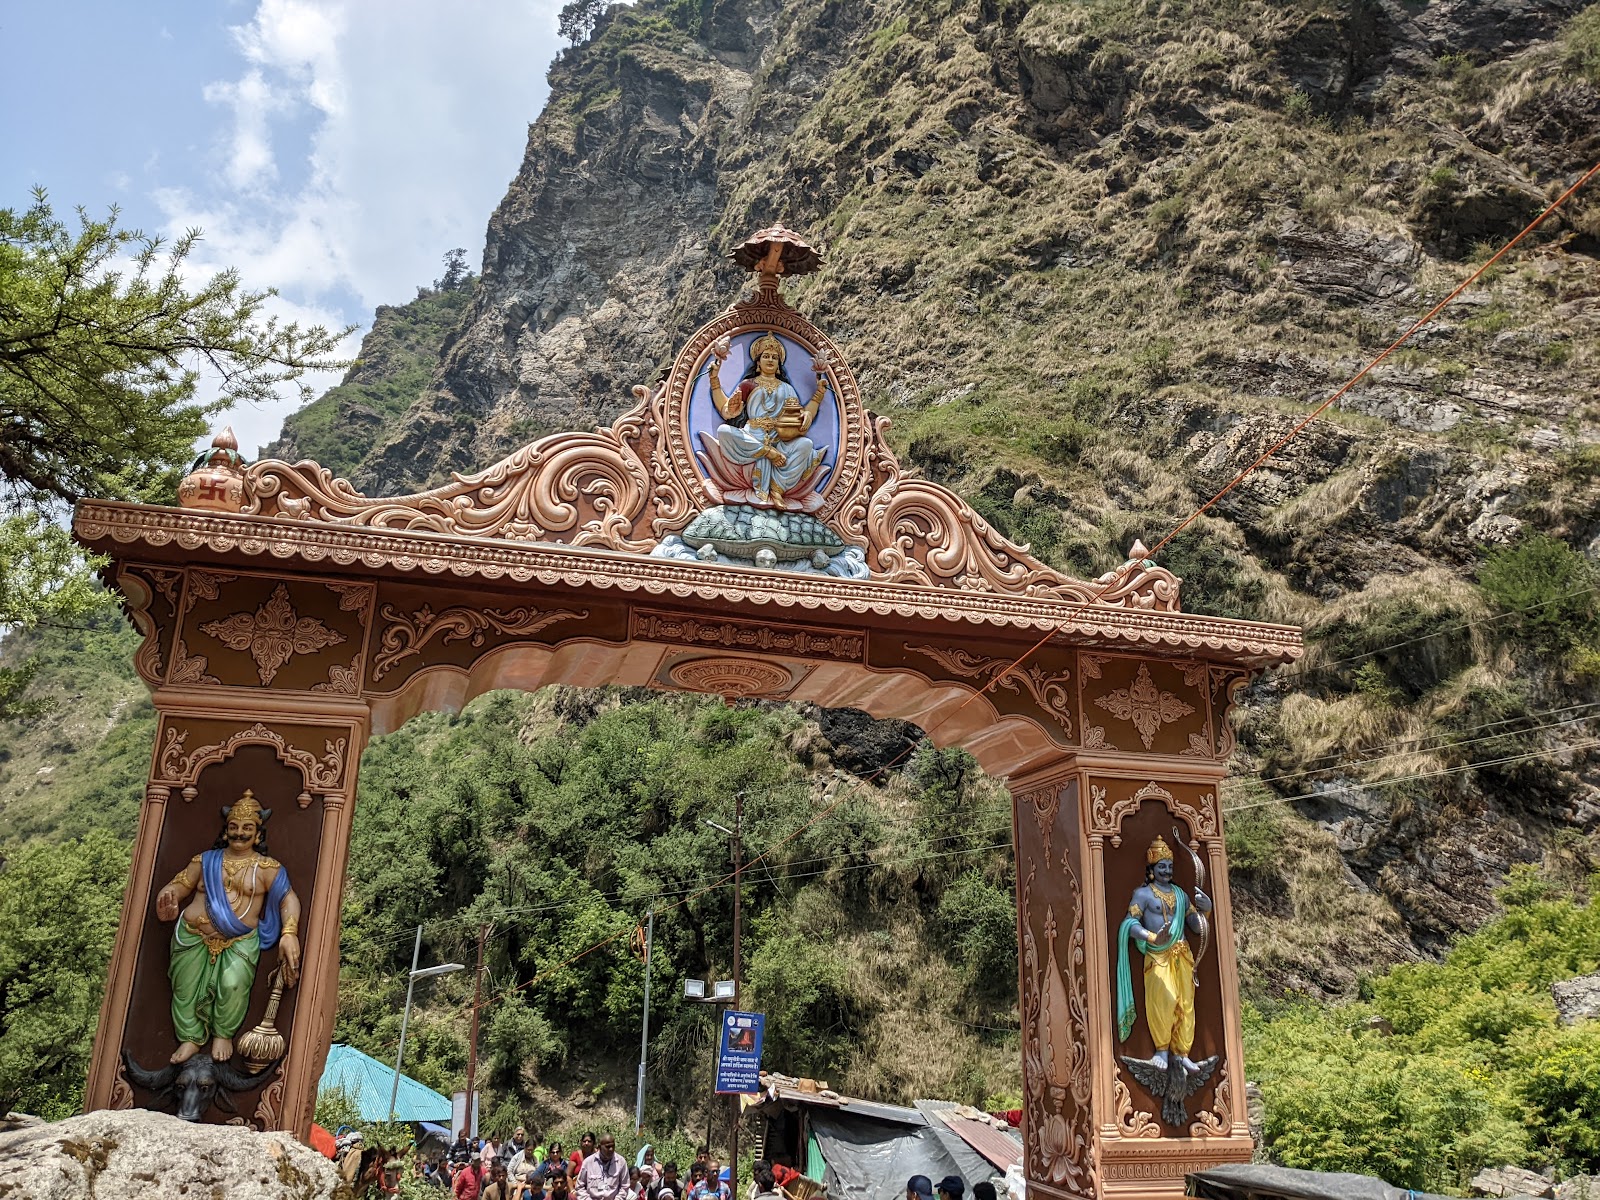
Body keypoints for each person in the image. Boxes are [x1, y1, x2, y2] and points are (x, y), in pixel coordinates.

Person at [1117, 835, 1213, 1073]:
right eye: (1162, 866)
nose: (1167, 871)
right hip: (1157, 955)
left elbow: (1195, 926)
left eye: (1170, 866)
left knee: (1185, 1003)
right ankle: (1161, 1049)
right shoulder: (1143, 895)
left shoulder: (1181, 895)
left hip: (1182, 954)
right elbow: (1130, 923)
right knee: (1164, 1001)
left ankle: (1181, 1052)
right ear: (1152, 868)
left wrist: (1206, 910)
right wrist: (1152, 937)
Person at [575, 1134, 630, 1200]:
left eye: (613, 1146)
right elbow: (579, 1187)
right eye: (608, 1147)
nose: (611, 1149)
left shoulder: (621, 1162)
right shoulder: (588, 1163)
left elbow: (625, 1186)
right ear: (599, 1147)